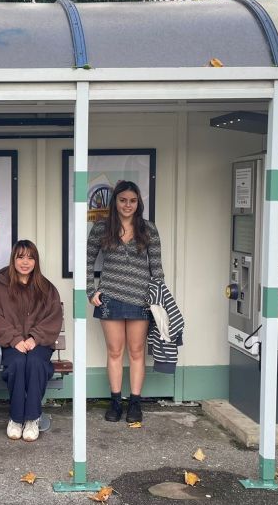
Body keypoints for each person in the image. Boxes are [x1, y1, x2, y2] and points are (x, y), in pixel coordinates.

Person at [87, 180, 163, 425]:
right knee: (114, 352)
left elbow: (157, 270)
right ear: (115, 202)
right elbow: (87, 262)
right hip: (110, 298)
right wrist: (91, 290)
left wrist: (157, 298)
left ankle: (135, 403)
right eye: (122, 200)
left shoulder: (149, 230)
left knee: (137, 352)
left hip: (141, 300)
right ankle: (116, 401)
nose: (127, 205)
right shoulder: (101, 229)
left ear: (138, 202)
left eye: (132, 200)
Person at [0, 240, 63, 442]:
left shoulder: (46, 288)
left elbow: (53, 317)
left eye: (30, 257)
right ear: (13, 260)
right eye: (20, 257)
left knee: (36, 363)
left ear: (36, 261)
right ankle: (16, 418)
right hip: (13, 344)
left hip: (39, 344)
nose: (25, 262)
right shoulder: (0, 288)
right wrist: (14, 338)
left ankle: (32, 418)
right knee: (18, 363)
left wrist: (35, 337)